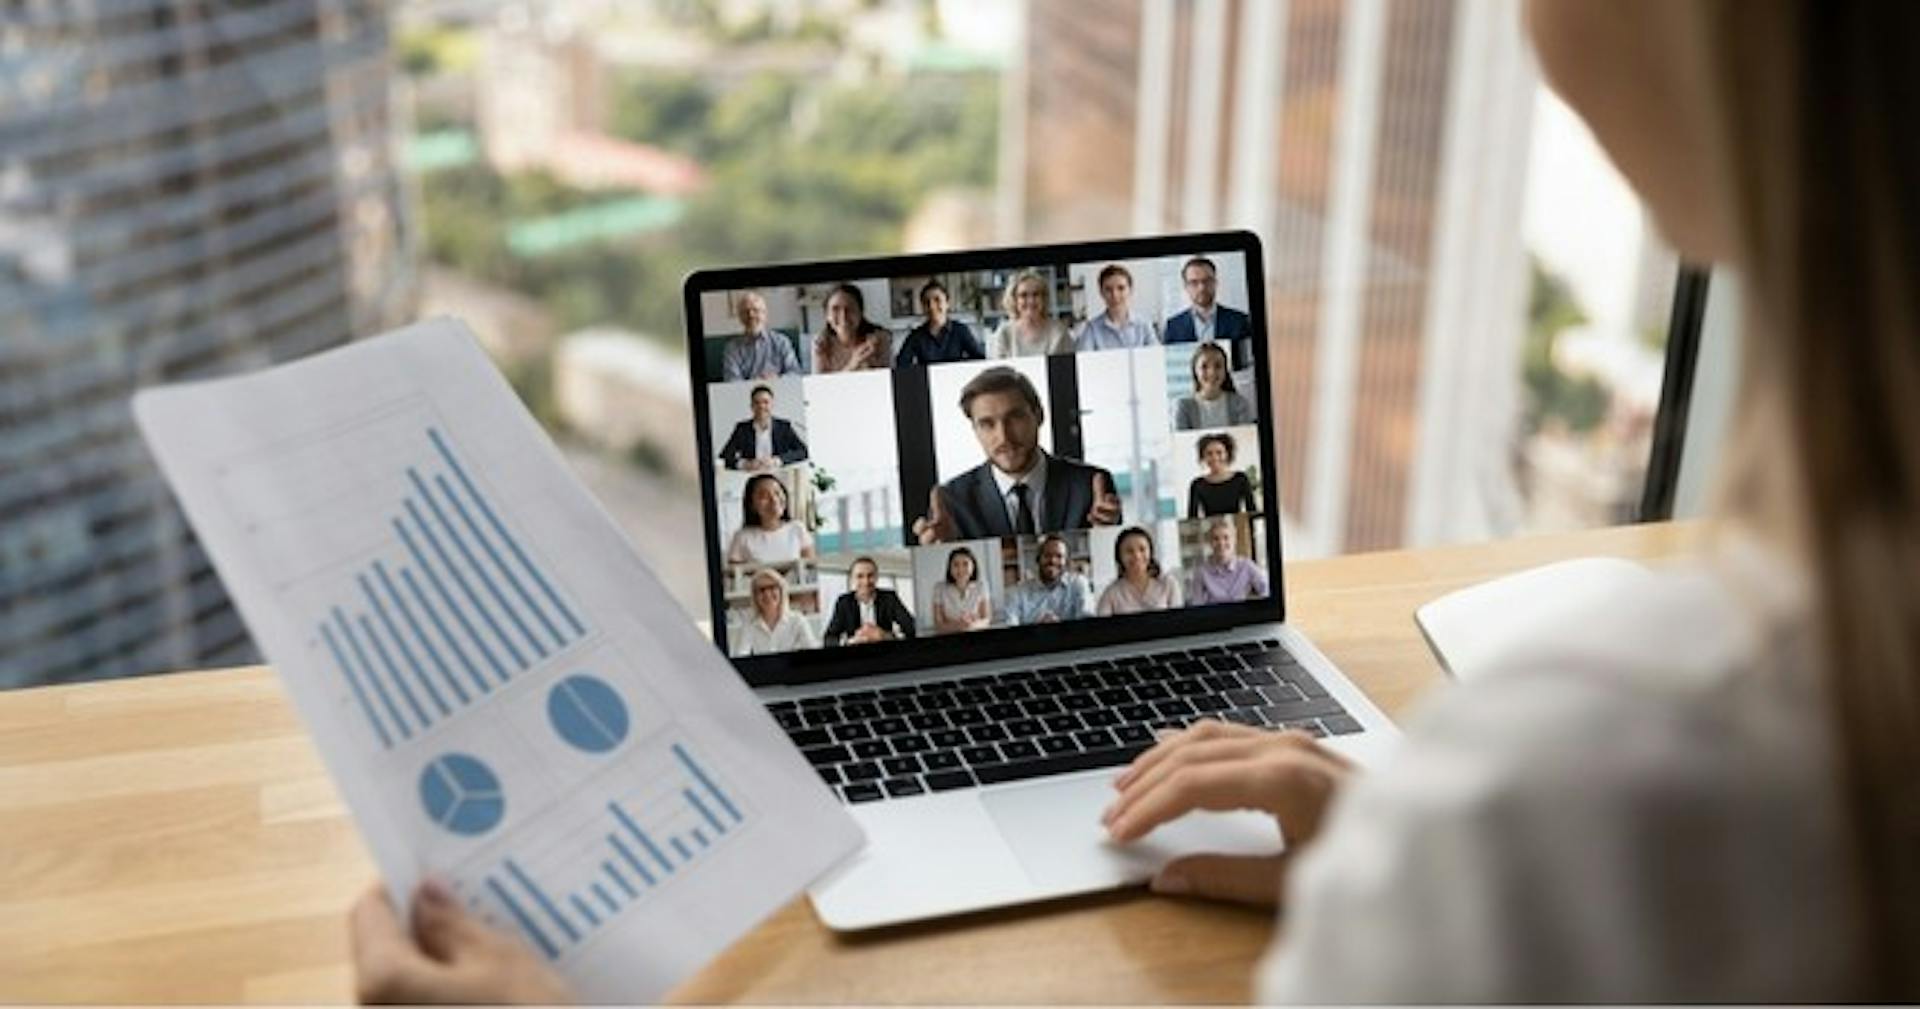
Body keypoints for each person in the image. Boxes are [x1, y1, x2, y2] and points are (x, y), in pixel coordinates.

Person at [356, 3, 1920, 999]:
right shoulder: (959, 507)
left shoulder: (1569, 802)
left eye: (1005, 405)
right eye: (975, 409)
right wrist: (1397, 837)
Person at [912, 366, 1122, 543]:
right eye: (987, 424)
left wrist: (1106, 538)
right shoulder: (952, 501)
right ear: (975, 431)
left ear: (1039, 416)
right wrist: (941, 550)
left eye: (1015, 418)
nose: (1003, 436)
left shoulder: (1089, 487)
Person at [822, 556, 917, 645]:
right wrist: (851, 640)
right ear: (852, 579)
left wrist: (886, 636)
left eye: (870, 575)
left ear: (876, 577)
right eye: (860, 576)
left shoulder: (889, 598)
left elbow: (913, 628)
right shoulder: (844, 602)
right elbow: (828, 639)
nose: (866, 581)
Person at [726, 473, 814, 566]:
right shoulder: (742, 536)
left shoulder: (797, 528)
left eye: (777, 492)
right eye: (764, 496)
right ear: (751, 504)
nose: (774, 499)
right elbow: (734, 575)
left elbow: (810, 568)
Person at [1162, 256, 1251, 345]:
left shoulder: (1240, 321)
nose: (1202, 288)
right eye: (1194, 282)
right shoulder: (1173, 327)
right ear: (1186, 286)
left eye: (1207, 281)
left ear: (1215, 283)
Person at [718, 384, 809, 471]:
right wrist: (745, 464)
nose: (761, 406)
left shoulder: (784, 427)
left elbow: (803, 451)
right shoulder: (742, 428)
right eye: (757, 403)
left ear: (772, 404)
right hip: (750, 474)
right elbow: (724, 456)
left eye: (766, 402)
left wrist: (777, 460)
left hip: (779, 473)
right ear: (751, 406)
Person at [894, 279, 985, 366]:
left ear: (947, 303)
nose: (932, 306)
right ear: (922, 307)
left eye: (937, 300)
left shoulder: (960, 330)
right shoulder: (916, 336)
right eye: (927, 302)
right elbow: (901, 364)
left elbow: (979, 359)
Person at [1004, 535, 1089, 626]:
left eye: (1059, 556)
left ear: (1067, 562)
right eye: (1047, 555)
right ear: (1038, 559)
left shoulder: (1079, 584)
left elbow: (1087, 619)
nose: (1052, 560)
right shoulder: (1016, 593)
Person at [1096, 526, 1182, 616]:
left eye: (1142, 549)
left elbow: (1179, 622)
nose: (1137, 556)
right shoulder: (1111, 593)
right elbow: (1102, 628)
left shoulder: (1168, 583)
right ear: (1119, 557)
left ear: (1150, 552)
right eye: (1129, 551)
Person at [719, 290, 802, 381]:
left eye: (756, 310)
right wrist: (755, 383)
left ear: (765, 314)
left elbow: (795, 373)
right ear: (740, 317)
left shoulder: (782, 341)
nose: (751, 315)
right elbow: (731, 380)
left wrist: (777, 379)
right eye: (746, 312)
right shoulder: (732, 348)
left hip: (779, 390)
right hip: (746, 393)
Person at [988, 269, 1072, 358]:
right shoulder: (1004, 333)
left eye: (1036, 294)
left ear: (1044, 299)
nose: (1031, 301)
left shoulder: (1058, 331)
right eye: (1023, 295)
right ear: (1014, 300)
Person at [1172, 343, 1256, 430]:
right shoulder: (1183, 407)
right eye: (1204, 366)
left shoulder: (1240, 404)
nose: (1212, 372)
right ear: (1195, 371)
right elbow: (1181, 442)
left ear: (1225, 371)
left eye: (1218, 366)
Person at [1074, 264, 1158, 351]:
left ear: (1130, 290)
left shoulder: (1144, 325)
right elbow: (1085, 361)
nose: (1115, 295)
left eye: (1121, 288)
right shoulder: (1091, 328)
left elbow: (1156, 357)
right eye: (1108, 289)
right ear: (1101, 292)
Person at [735, 567, 818, 655]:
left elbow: (812, 652)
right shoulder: (749, 625)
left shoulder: (797, 620)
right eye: (761, 590)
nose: (767, 594)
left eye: (772, 587)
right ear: (755, 597)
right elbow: (741, 654)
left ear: (781, 591)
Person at [1185, 517, 1268, 605]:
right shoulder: (1201, 572)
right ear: (1210, 542)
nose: (1221, 543)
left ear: (1234, 540)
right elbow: (1197, 605)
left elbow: (1266, 591)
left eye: (1226, 537)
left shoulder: (1247, 566)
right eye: (1216, 539)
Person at [812, 283, 892, 373]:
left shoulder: (880, 337)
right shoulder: (821, 343)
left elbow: (887, 381)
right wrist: (853, 364)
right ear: (827, 315)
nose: (843, 316)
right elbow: (819, 385)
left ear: (861, 312)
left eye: (850, 309)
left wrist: (873, 363)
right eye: (835, 309)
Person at [1187, 432, 1256, 517]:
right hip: (1210, 530)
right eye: (1209, 453)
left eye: (1219, 452)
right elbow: (1192, 519)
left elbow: (1252, 512)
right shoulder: (1197, 484)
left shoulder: (1240, 479)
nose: (1214, 457)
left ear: (1227, 454)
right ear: (1203, 456)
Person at [931, 545, 992, 632]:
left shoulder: (982, 586)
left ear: (973, 566)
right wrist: (958, 626)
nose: (960, 569)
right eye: (956, 565)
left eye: (965, 564)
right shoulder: (939, 588)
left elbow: (986, 619)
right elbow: (938, 624)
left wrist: (971, 625)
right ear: (950, 568)